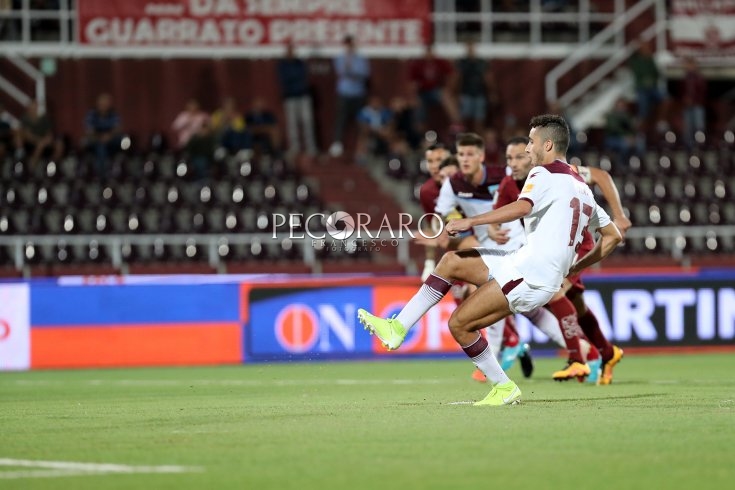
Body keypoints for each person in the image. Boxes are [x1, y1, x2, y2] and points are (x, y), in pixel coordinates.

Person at [358, 115, 622, 406]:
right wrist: (575, 267)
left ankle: (503, 387)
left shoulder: (543, 173)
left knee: (460, 324)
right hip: (521, 263)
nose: (528, 149)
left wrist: (471, 221)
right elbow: (612, 237)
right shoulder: (582, 187)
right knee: (451, 262)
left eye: (531, 143)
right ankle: (397, 328)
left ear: (548, 144)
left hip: (529, 276)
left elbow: (523, 207)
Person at [496, 136, 632, 384]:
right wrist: (494, 230)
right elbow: (499, 215)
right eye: (509, 158)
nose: (514, 163)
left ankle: (578, 359)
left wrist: (619, 216)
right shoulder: (508, 184)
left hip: (574, 245)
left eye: (520, 156)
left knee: (554, 292)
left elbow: (600, 176)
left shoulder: (558, 173)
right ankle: (607, 352)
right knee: (576, 306)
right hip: (548, 250)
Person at [329, 35, 370, 158]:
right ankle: (337, 144)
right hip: (344, 93)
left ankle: (361, 147)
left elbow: (364, 73)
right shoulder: (340, 58)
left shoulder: (361, 59)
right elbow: (341, 71)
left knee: (361, 122)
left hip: (358, 93)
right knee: (341, 119)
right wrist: (350, 68)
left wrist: (351, 72)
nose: (350, 47)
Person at [408, 44, 460, 133]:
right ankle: (419, 131)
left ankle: (456, 124)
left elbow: (452, 74)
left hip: (436, 90)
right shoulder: (418, 64)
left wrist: (448, 88)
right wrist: (413, 93)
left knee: (446, 97)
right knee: (417, 105)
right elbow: (412, 82)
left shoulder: (439, 62)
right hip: (422, 92)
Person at [277, 42, 317, 156]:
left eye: (292, 50)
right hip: (290, 97)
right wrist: (294, 79)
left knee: (307, 122)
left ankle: (311, 147)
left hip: (303, 95)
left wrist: (294, 79)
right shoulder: (282, 65)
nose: (291, 53)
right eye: (289, 51)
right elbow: (284, 79)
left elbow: (303, 77)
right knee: (292, 124)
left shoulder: (300, 63)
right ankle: (295, 147)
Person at [84, 92, 122, 179]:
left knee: (121, 140)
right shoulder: (92, 114)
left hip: (112, 141)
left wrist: (108, 136)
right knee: (100, 147)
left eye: (106, 104)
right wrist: (100, 138)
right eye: (102, 104)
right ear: (98, 104)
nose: (104, 106)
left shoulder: (114, 114)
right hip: (96, 141)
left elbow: (117, 129)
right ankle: (102, 176)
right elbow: (89, 131)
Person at [680, 57, 707, 150]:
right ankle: (688, 147)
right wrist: (685, 100)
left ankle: (699, 146)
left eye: (691, 65)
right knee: (688, 128)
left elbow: (702, 92)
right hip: (687, 107)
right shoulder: (684, 78)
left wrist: (694, 101)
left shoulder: (699, 78)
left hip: (697, 106)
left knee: (699, 126)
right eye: (688, 65)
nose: (689, 67)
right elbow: (681, 92)